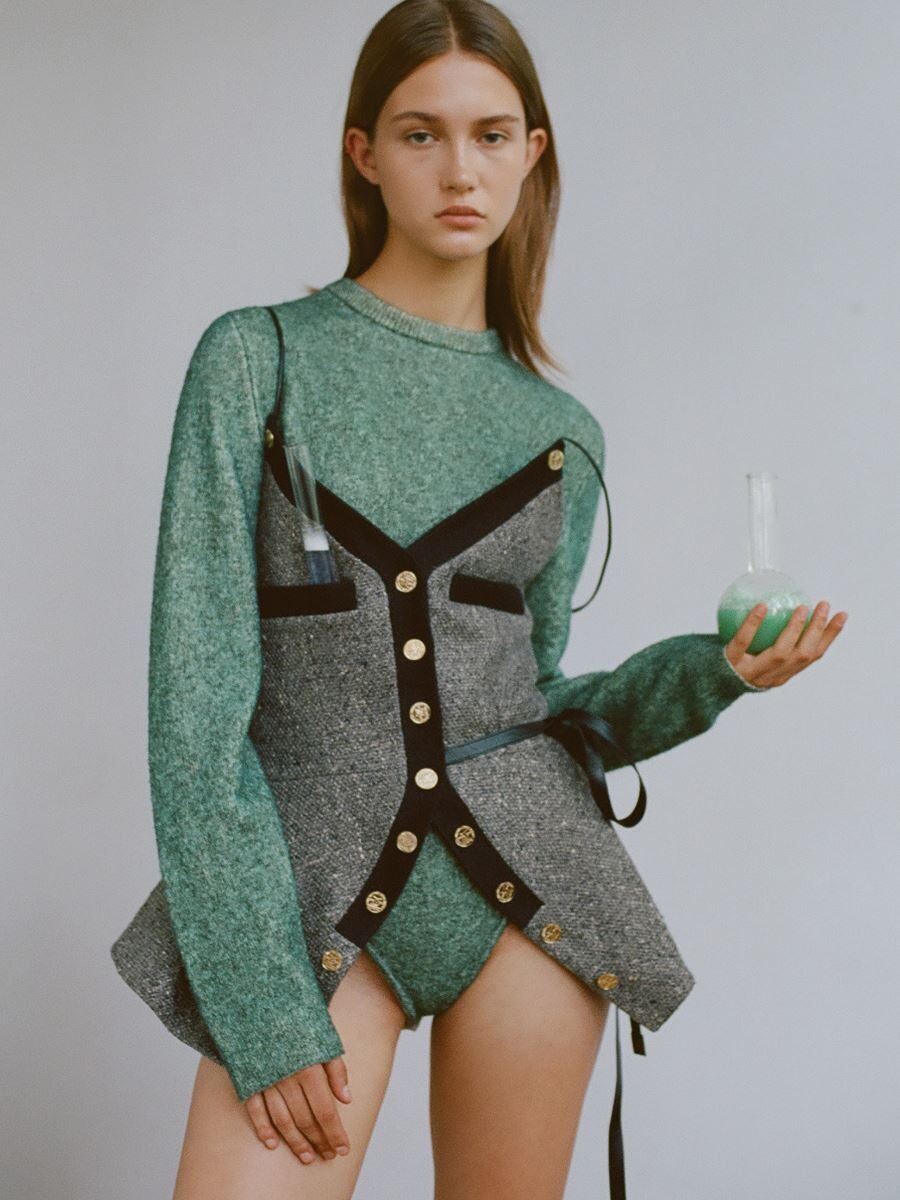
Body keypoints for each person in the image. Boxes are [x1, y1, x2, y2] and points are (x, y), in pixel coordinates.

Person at [110, 3, 848, 1197]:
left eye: (492, 135)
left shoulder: (562, 431)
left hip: (531, 891)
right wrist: (259, 1003)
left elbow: (541, 704)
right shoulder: (256, 361)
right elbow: (195, 717)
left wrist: (714, 673)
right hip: (313, 893)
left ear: (532, 153)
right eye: (422, 134)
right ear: (364, 152)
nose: (461, 170)